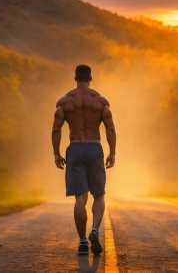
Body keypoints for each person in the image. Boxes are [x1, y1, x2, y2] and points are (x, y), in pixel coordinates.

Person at [51, 64, 116, 255]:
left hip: (76, 148)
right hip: (95, 148)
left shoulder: (65, 101)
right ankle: (94, 230)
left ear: (75, 78)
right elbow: (110, 128)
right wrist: (113, 152)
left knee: (80, 198)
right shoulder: (100, 101)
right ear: (90, 79)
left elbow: (56, 129)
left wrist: (56, 153)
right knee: (99, 194)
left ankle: (81, 242)